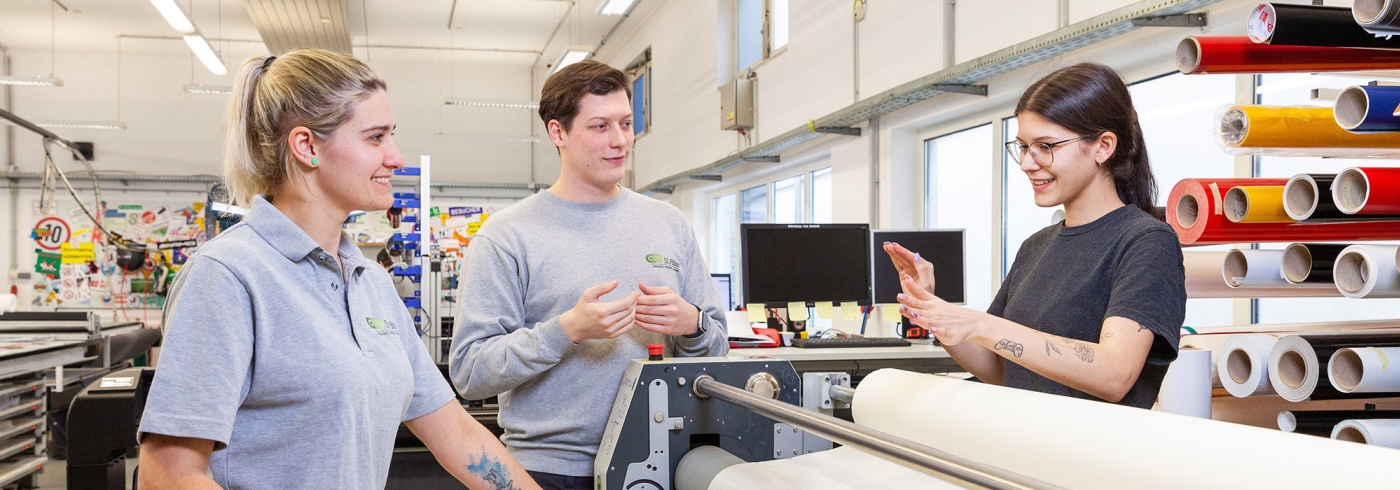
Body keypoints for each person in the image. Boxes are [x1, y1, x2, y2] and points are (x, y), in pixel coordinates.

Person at [137, 49, 538, 489]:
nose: (396, 156)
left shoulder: (372, 283)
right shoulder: (228, 276)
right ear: (307, 146)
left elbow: (458, 436)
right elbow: (170, 474)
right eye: (375, 137)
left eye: (391, 135)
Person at [449, 60, 729, 488]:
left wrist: (692, 325)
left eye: (626, 123)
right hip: (550, 472)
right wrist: (565, 331)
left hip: (663, 461)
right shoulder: (507, 236)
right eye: (600, 127)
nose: (619, 141)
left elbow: (717, 349)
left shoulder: (668, 223)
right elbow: (470, 373)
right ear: (558, 133)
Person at [888, 62, 1185, 409]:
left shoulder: (1147, 242)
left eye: (1045, 146)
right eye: (1023, 147)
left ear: (1103, 146)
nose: (1028, 163)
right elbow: (1000, 368)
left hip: (1090, 457)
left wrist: (981, 324)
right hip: (1024, 447)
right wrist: (935, 312)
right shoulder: (1036, 246)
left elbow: (1113, 373)